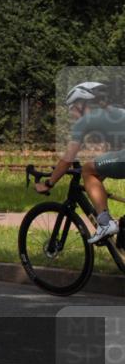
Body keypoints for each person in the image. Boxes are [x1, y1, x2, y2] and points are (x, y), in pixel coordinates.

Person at [36, 81, 125, 243]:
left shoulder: (85, 121)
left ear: (81, 103)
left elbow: (67, 159)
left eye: (71, 108)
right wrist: (94, 185)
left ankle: (105, 223)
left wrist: (48, 183)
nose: (71, 114)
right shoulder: (115, 114)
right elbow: (113, 157)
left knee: (87, 169)